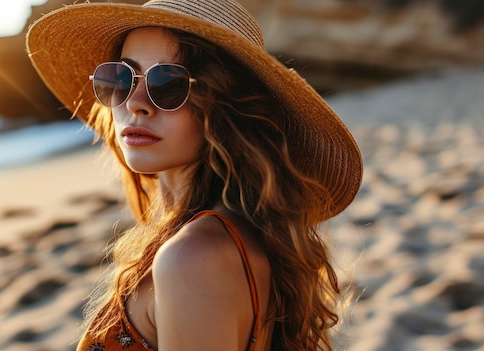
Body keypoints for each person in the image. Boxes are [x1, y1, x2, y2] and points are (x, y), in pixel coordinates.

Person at [26, 0, 362, 350]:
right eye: (121, 78)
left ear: (226, 107)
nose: (135, 102)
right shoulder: (239, 233)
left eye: (168, 83)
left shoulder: (191, 259)